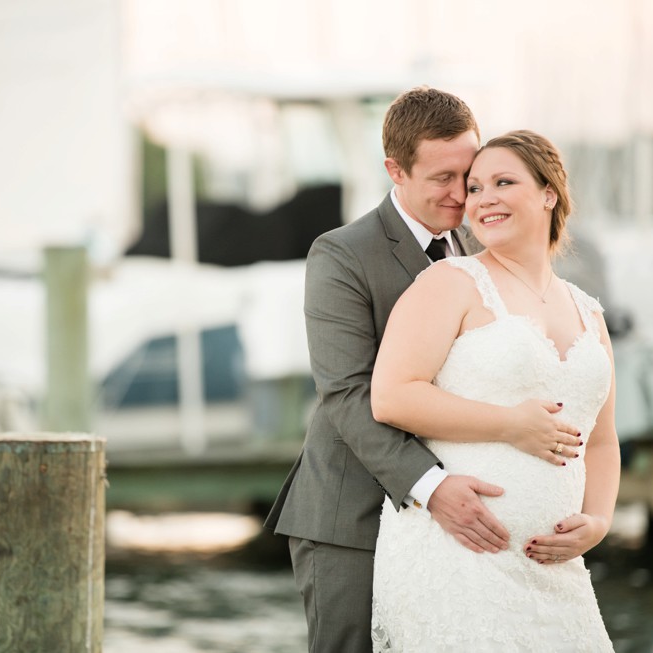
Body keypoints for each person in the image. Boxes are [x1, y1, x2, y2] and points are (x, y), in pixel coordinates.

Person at [264, 88, 581, 652]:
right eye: (443, 178)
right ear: (396, 170)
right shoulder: (341, 254)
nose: (463, 194)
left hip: (461, 528)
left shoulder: (479, 241)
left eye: (471, 172)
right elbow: (347, 393)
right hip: (352, 514)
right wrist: (431, 487)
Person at [370, 130, 620, 651]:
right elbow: (392, 396)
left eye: (503, 183)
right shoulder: (450, 283)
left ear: (548, 193)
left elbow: (600, 439)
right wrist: (510, 424)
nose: (483, 199)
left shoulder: (588, 311)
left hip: (556, 574)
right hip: (461, 558)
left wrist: (597, 521)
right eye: (476, 187)